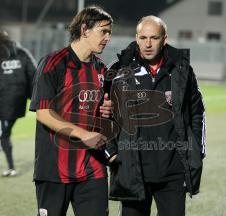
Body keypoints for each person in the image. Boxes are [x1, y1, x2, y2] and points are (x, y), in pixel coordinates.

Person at [101, 16, 206, 216]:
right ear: (136, 38)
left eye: (154, 38)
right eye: (143, 37)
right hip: (132, 170)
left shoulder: (182, 70)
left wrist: (196, 152)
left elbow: (197, 111)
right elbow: (103, 113)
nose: (148, 44)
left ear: (164, 39)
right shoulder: (119, 70)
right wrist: (111, 151)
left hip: (173, 172)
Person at [29, 6, 113, 216]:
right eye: (104, 31)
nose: (108, 38)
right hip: (54, 170)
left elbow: (103, 115)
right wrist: (83, 134)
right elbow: (43, 112)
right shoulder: (53, 63)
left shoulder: (101, 69)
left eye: (110, 32)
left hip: (93, 168)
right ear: (85, 29)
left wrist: (109, 110)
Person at [0, 30, 36, 177]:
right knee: (5, 133)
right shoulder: (22, 53)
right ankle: (11, 166)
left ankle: (11, 167)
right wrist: (33, 97)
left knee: (4, 134)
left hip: (3, 100)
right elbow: (33, 74)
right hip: (18, 101)